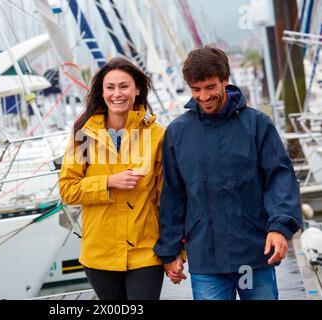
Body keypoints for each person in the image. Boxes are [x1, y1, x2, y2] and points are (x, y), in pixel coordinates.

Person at [154, 46, 302, 300]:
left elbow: (280, 178)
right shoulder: (177, 133)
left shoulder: (257, 124)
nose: (203, 96)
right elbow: (173, 195)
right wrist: (170, 252)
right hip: (206, 260)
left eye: (210, 87)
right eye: (195, 89)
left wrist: (279, 228)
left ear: (225, 80)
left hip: (254, 253)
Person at [59, 57, 166, 300]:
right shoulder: (83, 134)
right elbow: (68, 190)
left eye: (124, 86)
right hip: (100, 253)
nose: (117, 93)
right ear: (102, 92)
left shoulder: (157, 135)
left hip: (145, 251)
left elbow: (167, 199)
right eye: (110, 87)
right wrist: (108, 182)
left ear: (137, 89)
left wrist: (175, 253)